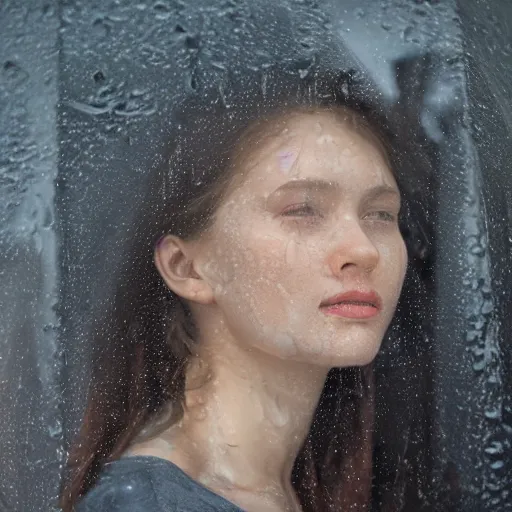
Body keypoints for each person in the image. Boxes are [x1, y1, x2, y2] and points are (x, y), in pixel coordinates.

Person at [59, 62, 409, 512]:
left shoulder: (303, 487)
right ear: (187, 267)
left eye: (381, 214)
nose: (363, 249)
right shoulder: (148, 504)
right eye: (302, 209)